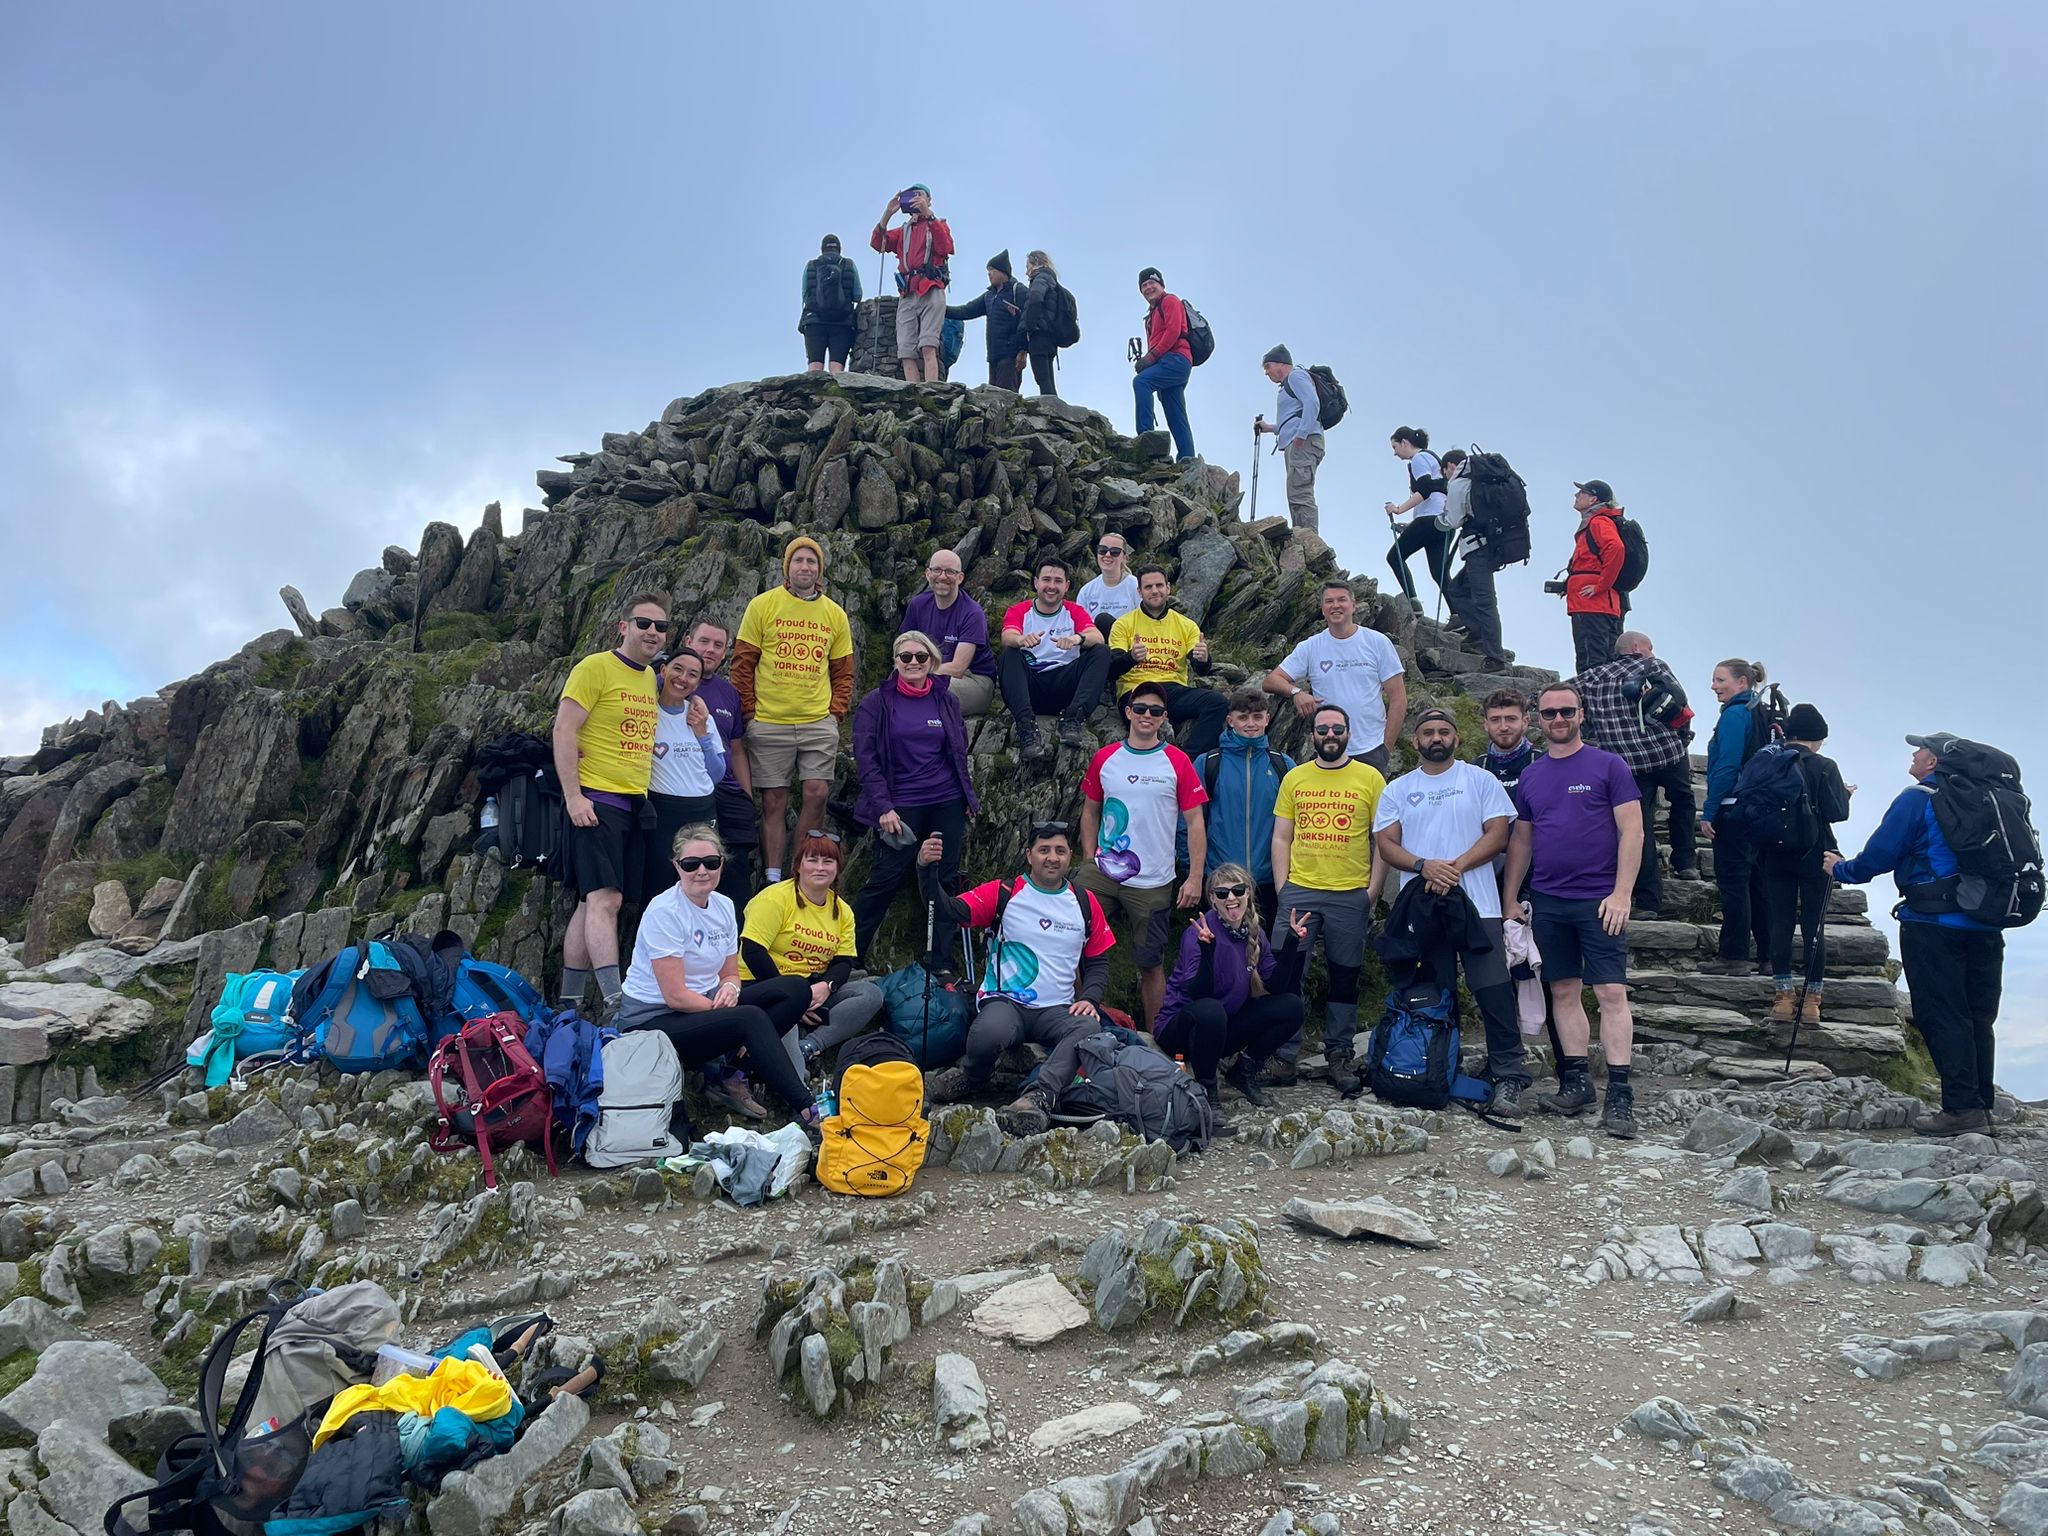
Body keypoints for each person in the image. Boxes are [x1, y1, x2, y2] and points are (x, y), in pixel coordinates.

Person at [1827, 734, 2004, 1137]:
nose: (1914, 753)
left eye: (1920, 749)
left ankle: (1961, 1110)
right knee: (1978, 1015)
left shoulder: (1919, 798)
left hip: (1933, 922)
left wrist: (1840, 870)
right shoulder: (1992, 800)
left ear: (1935, 762)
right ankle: (1981, 1107)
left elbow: (1880, 855)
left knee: (1942, 1014)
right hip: (1987, 922)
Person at [1499, 683, 1645, 1138]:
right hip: (1549, 899)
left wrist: (1622, 894)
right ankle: (1577, 1081)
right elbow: (1521, 840)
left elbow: (1633, 832)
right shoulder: (1532, 776)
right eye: (1548, 713)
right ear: (1536, 720)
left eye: (1566, 711)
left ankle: (1620, 1095)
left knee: (1610, 994)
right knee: (1562, 990)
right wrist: (1510, 898)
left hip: (1601, 899)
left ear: (1581, 714)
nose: (1558, 719)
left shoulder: (1609, 765)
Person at [1373, 710, 1526, 1125]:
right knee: (1434, 992)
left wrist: (1452, 867)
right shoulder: (1398, 788)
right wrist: (1424, 866)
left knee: (1492, 989)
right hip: (1421, 907)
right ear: (1414, 741)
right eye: (1427, 732)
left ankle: (1509, 1073)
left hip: (1479, 904)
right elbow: (1386, 844)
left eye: (1444, 731)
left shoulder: (1481, 780)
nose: (1435, 738)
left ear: (1457, 739)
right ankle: (1440, 1063)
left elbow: (1498, 833)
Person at [615, 825, 819, 1126]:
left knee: (795, 989)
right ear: (676, 866)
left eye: (711, 863)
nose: (702, 871)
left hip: (703, 1006)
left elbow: (729, 973)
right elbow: (675, 996)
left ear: (722, 863)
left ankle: (733, 1074)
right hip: (652, 1020)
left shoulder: (723, 906)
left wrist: (731, 990)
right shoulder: (664, 912)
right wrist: (725, 1009)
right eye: (690, 864)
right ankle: (807, 1109)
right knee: (748, 1018)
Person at [917, 820, 1117, 1104]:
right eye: (1043, 850)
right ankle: (974, 1077)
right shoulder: (1005, 893)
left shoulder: (1085, 901)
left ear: (1069, 856)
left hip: (1057, 1008)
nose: (1052, 857)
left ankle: (1040, 1094)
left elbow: (1098, 961)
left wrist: (1091, 999)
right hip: (1006, 1002)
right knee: (988, 1032)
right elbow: (947, 910)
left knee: (1088, 1028)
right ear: (1029, 855)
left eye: (1060, 850)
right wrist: (925, 869)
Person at [552, 591, 667, 1014]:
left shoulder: (649, 679)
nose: (653, 632)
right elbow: (564, 729)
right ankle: (617, 1001)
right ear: (624, 626)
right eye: (644, 623)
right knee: (607, 900)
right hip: (596, 800)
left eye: (661, 626)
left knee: (589, 901)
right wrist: (573, 797)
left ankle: (569, 1002)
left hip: (632, 802)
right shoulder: (595, 667)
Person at [1073, 680, 1207, 1024]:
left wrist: (1193, 878)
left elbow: (1195, 823)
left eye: (1156, 711)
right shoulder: (1106, 757)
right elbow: (1090, 811)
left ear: (1164, 718)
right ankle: (1073, 1023)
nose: (1148, 716)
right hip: (1102, 871)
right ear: (1129, 712)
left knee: (1149, 962)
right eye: (1141, 709)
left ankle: (1156, 1039)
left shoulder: (1176, 761)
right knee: (1068, 941)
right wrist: (1089, 858)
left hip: (1153, 880)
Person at [1269, 703, 1387, 1096]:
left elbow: (1382, 840)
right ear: (1312, 734)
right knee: (1287, 974)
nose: (1330, 735)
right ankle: (1283, 1055)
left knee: (1344, 978)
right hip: (1300, 890)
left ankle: (1339, 1054)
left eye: (1338, 728)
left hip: (1350, 893)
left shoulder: (1370, 778)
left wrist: (1372, 891)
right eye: (1323, 729)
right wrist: (1284, 887)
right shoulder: (1296, 778)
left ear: (1349, 734)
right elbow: (1282, 835)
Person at [850, 630, 979, 970]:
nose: (912, 663)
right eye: (905, 657)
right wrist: (883, 807)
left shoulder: (946, 699)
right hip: (900, 803)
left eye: (920, 657)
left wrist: (967, 797)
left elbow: (957, 750)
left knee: (946, 880)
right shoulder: (875, 703)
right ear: (895, 661)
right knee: (884, 879)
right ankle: (850, 957)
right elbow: (866, 760)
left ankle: (940, 959)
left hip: (945, 799)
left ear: (932, 662)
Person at [732, 536, 855, 886]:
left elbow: (843, 670)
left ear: (820, 570)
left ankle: (795, 871)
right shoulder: (763, 605)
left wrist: (836, 714)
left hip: (818, 720)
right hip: (770, 721)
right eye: (798, 561)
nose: (805, 567)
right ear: (787, 567)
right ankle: (773, 876)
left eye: (811, 562)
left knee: (817, 792)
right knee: (774, 799)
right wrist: (749, 713)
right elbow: (743, 663)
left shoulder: (834, 613)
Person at [1150, 866, 1309, 1119]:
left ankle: (1244, 1071)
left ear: (1249, 894)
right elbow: (1199, 993)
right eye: (1222, 893)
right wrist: (1207, 952)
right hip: (1180, 1030)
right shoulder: (1199, 932)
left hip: (1220, 1028)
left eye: (1238, 890)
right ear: (1212, 899)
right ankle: (1207, 1088)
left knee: (1291, 1006)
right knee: (1211, 1010)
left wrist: (1291, 944)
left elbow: (1276, 987)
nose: (1231, 898)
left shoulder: (1253, 932)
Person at [1574, 630, 1700, 919]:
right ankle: (1686, 862)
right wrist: (1684, 737)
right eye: (1650, 647)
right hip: (1668, 753)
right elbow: (1680, 701)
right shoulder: (1652, 666)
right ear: (1636, 648)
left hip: (1627, 764)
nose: (1653, 652)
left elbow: (1556, 695)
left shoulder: (1592, 677)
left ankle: (1647, 900)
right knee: (1683, 801)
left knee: (1637, 830)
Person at [742, 830, 885, 1070]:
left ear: (837, 868)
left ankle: (810, 1045)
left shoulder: (842, 911)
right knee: (784, 1026)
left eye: (828, 861)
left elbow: (843, 961)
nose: (820, 868)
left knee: (870, 994)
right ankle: (800, 1095)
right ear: (798, 865)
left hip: (811, 986)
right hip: (762, 984)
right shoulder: (774, 899)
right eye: (812, 860)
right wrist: (792, 999)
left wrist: (826, 987)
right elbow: (753, 952)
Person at [1761, 705, 1851, 1025]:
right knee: (1814, 927)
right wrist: (1844, 795)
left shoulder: (1769, 762)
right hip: (1818, 855)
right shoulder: (1825, 766)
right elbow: (1837, 812)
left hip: (1775, 853)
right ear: (1817, 739)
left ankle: (1783, 999)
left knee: (1780, 924)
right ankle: (1812, 1001)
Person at [1263, 581, 1409, 773]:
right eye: (1329, 601)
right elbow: (1271, 680)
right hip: (1328, 748)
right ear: (1323, 609)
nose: (1336, 605)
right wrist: (1296, 692)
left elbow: (1398, 698)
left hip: (1371, 749)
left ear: (1353, 606)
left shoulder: (1377, 642)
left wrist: (1385, 749)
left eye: (1342, 600)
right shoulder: (1311, 646)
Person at [1189, 688, 1293, 926]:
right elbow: (1192, 822)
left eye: (1257, 717)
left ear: (1267, 719)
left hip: (1269, 880)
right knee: (1222, 953)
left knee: (1268, 955)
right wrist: (1196, 870)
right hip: (1221, 880)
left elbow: (1295, 827)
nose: (1251, 724)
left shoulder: (1283, 765)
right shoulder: (1208, 763)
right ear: (1230, 721)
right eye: (1243, 717)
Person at [1697, 658, 1773, 976]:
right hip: (1761, 810)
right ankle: (1769, 957)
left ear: (1742, 683)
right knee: (1759, 884)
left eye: (1720, 680)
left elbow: (1727, 765)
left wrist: (1710, 810)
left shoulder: (1734, 715)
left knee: (1734, 883)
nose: (1714, 686)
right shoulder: (1763, 714)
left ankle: (1734, 955)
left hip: (1733, 808)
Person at [998, 556, 1113, 762]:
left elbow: (1097, 637)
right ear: (1036, 583)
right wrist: (1021, 639)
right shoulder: (1020, 611)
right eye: (1046, 580)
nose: (1052, 586)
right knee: (1010, 652)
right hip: (1031, 686)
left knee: (1101, 651)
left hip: (1064, 686)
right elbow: (1007, 636)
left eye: (1058, 581)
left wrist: (1078, 638)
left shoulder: (1074, 611)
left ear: (1067, 585)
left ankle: (1073, 719)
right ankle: (1027, 729)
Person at [1108, 565, 1229, 757]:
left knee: (1218, 703)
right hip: (1136, 690)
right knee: (1147, 713)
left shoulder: (1186, 625)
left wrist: (1204, 659)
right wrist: (1130, 657)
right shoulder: (1123, 624)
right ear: (1139, 591)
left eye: (1159, 585)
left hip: (1172, 691)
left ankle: (1188, 761)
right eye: (1148, 587)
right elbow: (1112, 670)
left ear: (1168, 588)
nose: (1154, 591)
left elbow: (1201, 669)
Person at [687, 617, 761, 912]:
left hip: (729, 792)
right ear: (689, 642)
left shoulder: (729, 693)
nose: (711, 650)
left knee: (736, 874)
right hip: (689, 790)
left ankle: (736, 945)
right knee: (694, 866)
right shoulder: (669, 683)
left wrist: (747, 795)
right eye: (704, 641)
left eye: (719, 645)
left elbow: (737, 748)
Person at [643, 649, 727, 901]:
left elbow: (717, 774)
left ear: (698, 683)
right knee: (658, 881)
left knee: (702, 881)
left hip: (702, 808)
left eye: (693, 675)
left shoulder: (701, 715)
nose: (683, 678)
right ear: (663, 670)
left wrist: (702, 733)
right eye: (677, 669)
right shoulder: (646, 711)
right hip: (662, 807)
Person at [870, 184, 954, 383]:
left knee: (928, 345)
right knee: (906, 349)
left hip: (931, 288)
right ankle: (913, 393)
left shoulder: (938, 224)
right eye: (911, 196)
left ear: (929, 200)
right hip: (907, 292)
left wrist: (929, 215)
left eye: (920, 196)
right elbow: (878, 243)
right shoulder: (903, 231)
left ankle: (932, 390)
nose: (915, 200)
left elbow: (945, 247)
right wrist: (887, 214)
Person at [902, 548, 995, 717]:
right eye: (937, 570)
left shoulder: (972, 613)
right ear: (927, 574)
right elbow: (903, 651)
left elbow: (958, 668)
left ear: (960, 578)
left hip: (972, 679)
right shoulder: (917, 605)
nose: (942, 576)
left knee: (930, 689)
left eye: (950, 572)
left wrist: (917, 673)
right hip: (926, 673)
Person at [1438, 450, 1507, 672]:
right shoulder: (1482, 479)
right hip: (1490, 545)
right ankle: (1477, 634)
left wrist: (1440, 521)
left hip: (1476, 549)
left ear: (1450, 466)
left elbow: (1455, 520)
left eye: (1444, 471)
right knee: (1457, 589)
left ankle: (1495, 657)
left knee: (1485, 602)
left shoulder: (1459, 483)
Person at [1254, 346, 1325, 532]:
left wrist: (1301, 435)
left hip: (1304, 442)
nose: (1266, 373)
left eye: (1268, 366)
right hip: (1299, 442)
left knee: (1300, 492)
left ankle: (1308, 540)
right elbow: (1292, 418)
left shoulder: (1296, 376)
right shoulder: (1289, 383)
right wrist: (1270, 428)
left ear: (1280, 364)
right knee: (1295, 492)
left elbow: (1312, 403)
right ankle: (1302, 536)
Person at [1563, 480, 1627, 675]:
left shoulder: (1598, 522)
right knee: (1606, 663)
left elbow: (1616, 548)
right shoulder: (1600, 522)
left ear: (1593, 499)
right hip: (1602, 604)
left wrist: (1600, 585)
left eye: (1582, 492)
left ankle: (1590, 704)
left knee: (1591, 663)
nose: (1576, 496)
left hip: (1591, 604)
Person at [1132, 267, 1195, 463]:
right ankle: (1187, 458)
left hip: (1177, 359)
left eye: (1152, 283)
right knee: (1175, 412)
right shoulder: (1150, 316)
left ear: (1161, 285)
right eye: (1144, 285)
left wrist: (1151, 358)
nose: (1148, 287)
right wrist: (1151, 359)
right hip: (1170, 361)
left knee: (1141, 383)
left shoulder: (1170, 301)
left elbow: (1174, 331)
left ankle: (1146, 436)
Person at [1383, 427, 1448, 614]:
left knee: (1394, 557)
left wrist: (1398, 509)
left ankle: (1413, 602)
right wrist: (1411, 525)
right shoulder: (1432, 457)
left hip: (1428, 520)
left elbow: (1425, 489)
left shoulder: (1419, 458)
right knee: (1439, 572)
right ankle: (1459, 615)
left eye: (1395, 447)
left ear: (1405, 442)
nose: (1395, 453)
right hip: (1442, 520)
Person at [945, 251, 1029, 391]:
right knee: (993, 398)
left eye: (992, 270)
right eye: (988, 271)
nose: (989, 274)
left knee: (1006, 396)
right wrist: (941, 309)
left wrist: (1023, 350)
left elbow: (1027, 320)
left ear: (1003, 271)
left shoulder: (1019, 291)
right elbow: (966, 311)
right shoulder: (989, 296)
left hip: (1011, 355)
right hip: (993, 355)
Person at [799, 235, 862, 375]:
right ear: (839, 249)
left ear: (822, 249)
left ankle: (813, 395)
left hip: (814, 321)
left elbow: (805, 295)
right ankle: (835, 395)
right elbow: (857, 295)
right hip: (842, 322)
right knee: (836, 368)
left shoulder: (811, 265)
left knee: (815, 366)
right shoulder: (849, 264)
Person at [1076, 532, 1141, 641]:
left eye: (1115, 552)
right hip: (1097, 646)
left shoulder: (1135, 586)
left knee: (1103, 620)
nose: (1107, 555)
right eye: (1102, 550)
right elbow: (1081, 626)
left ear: (1124, 557)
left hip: (1127, 645)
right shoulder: (1086, 591)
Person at [1018, 250, 1063, 397]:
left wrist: (1029, 328)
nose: (1026, 272)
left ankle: (1051, 412)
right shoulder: (1051, 279)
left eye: (1027, 266)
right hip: (1050, 336)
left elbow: (1036, 299)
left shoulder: (1040, 278)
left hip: (1039, 334)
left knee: (1042, 378)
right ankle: (1055, 411)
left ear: (1036, 263)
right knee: (1048, 378)